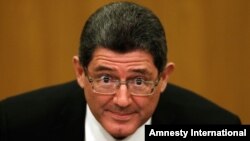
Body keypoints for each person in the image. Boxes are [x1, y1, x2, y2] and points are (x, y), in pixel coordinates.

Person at [0, 1, 241, 141]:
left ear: (164, 77)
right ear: (80, 73)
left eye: (139, 81)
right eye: (106, 79)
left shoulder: (216, 129)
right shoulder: (16, 125)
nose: (123, 101)